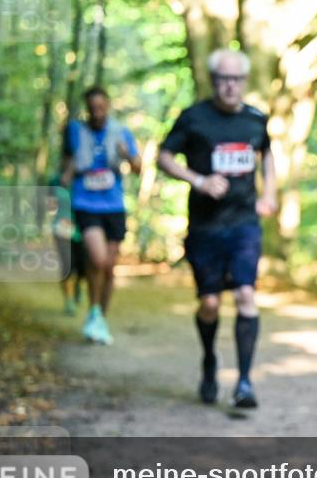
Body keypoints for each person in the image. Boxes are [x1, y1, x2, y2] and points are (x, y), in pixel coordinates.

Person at [157, 49, 278, 408]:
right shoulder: (193, 118)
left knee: (245, 295)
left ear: (244, 81)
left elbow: (267, 155)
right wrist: (198, 180)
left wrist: (269, 194)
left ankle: (244, 383)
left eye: (236, 79)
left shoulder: (256, 119)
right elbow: (163, 156)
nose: (230, 86)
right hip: (205, 227)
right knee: (209, 303)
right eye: (224, 79)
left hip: (244, 224)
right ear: (213, 81)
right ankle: (209, 360)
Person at [60, 86, 141, 345]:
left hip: (114, 206)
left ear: (108, 106)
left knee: (109, 267)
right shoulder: (75, 131)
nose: (97, 113)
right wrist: (65, 177)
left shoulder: (121, 132)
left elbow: (138, 167)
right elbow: (68, 160)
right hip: (85, 204)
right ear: (87, 109)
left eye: (101, 108)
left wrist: (126, 154)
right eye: (92, 109)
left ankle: (100, 319)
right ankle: (93, 311)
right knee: (97, 258)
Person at [49, 175, 85, 315]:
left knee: (82, 266)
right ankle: (68, 300)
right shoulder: (54, 181)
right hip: (61, 228)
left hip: (82, 228)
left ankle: (78, 285)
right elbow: (50, 205)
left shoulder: (83, 177)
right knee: (67, 264)